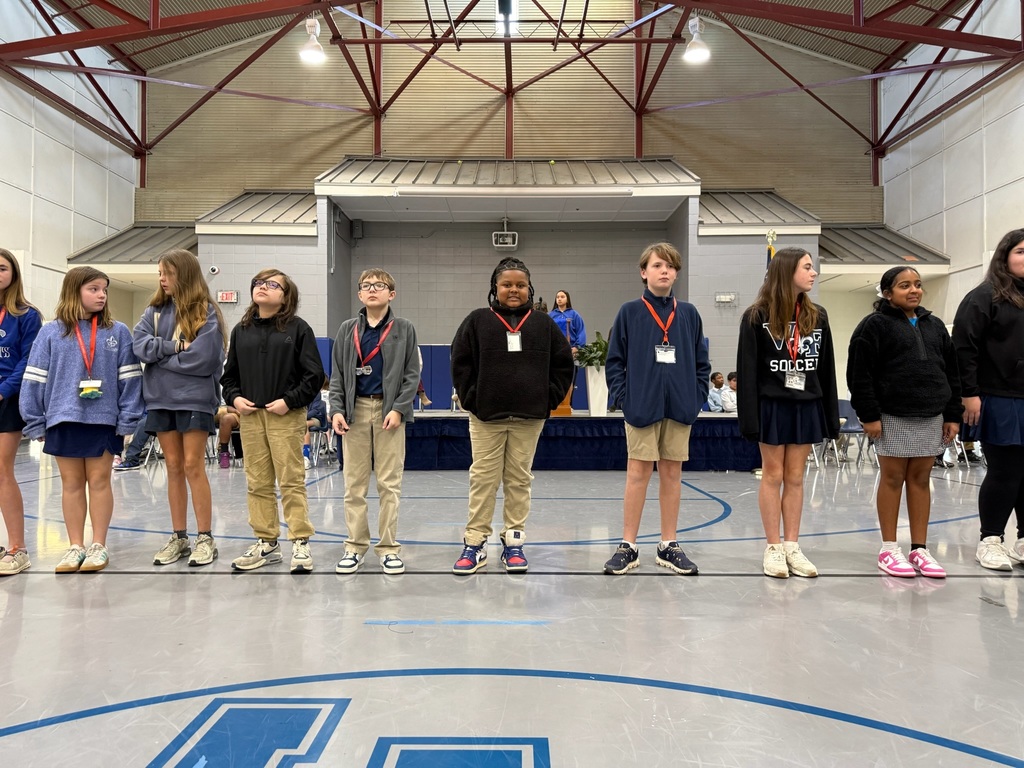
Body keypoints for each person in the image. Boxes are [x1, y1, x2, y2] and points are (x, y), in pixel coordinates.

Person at [450, 257, 574, 574]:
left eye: (520, 285)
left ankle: (514, 541)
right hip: (485, 418)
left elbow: (563, 366)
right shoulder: (477, 321)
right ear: (495, 288)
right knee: (483, 480)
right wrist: (472, 399)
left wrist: (547, 399)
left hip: (529, 418)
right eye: (507, 285)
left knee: (519, 481)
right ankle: (475, 542)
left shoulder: (544, 324)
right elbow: (460, 362)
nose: (514, 290)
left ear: (529, 288)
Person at [20, 266, 144, 573]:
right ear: (74, 291)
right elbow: (34, 378)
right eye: (94, 289)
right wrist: (34, 419)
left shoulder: (118, 332)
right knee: (71, 484)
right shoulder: (51, 332)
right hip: (63, 419)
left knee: (100, 481)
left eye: (104, 289)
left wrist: (128, 419)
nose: (102, 295)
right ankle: (75, 545)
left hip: (104, 420)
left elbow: (130, 379)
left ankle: (98, 544)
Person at [603, 242, 710, 575]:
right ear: (643, 272)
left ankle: (668, 544)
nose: (665, 271)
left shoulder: (689, 313)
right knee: (637, 475)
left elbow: (701, 364)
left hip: (680, 409)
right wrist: (625, 399)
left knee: (672, 475)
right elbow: (614, 362)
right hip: (641, 409)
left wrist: (695, 398)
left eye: (671, 266)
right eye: (658, 265)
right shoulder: (629, 312)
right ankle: (628, 545)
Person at [847, 266, 961, 579]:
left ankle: (919, 549)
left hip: (931, 415)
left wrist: (952, 414)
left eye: (917, 285)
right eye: (904, 286)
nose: (914, 290)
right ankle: (888, 548)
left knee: (922, 480)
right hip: (891, 416)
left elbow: (952, 372)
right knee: (893, 478)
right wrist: (869, 415)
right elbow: (860, 375)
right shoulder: (873, 326)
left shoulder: (935, 325)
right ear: (887, 293)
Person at [737, 248, 839, 579]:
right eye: (807, 267)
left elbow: (826, 370)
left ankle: (792, 545)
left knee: (796, 476)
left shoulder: (818, 315)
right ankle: (773, 547)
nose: (814, 273)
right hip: (772, 405)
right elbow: (747, 372)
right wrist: (749, 420)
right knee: (773, 474)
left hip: (806, 404)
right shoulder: (756, 316)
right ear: (786, 271)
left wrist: (829, 415)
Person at [221, 270, 324, 573]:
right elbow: (229, 376)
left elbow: (314, 375)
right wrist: (235, 399)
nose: (262, 287)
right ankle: (267, 542)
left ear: (285, 295)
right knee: (258, 482)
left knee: (291, 480)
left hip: (286, 416)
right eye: (258, 283)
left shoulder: (298, 328)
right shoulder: (241, 330)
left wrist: (289, 401)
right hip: (251, 417)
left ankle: (300, 542)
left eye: (271, 284)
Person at [133, 249, 227, 568]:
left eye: (168, 272)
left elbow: (205, 359)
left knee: (192, 466)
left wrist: (161, 362)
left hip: (195, 400)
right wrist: (173, 348)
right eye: (160, 272)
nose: (162, 278)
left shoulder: (206, 312)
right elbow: (139, 346)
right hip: (160, 399)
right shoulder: (154, 311)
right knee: (171, 466)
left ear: (184, 274)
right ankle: (179, 537)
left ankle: (205, 538)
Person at [330, 269, 420, 575]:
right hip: (354, 413)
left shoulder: (404, 328)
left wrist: (398, 408)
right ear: (359, 294)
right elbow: (338, 374)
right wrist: (336, 409)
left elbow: (411, 374)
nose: (372, 290)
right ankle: (354, 546)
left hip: (388, 412)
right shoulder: (346, 329)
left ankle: (388, 548)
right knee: (353, 484)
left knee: (389, 484)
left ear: (391, 294)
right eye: (366, 286)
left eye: (379, 286)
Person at [952, 228, 1024, 571]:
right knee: (1005, 471)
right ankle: (990, 539)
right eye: (1021, 251)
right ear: (1005, 257)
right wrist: (969, 393)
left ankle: (1022, 541)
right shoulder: (985, 296)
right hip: (998, 397)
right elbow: (964, 348)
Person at [0, 249, 42, 577]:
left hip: (7, 400)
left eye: (1, 268)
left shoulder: (27, 315)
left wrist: (3, 390)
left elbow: (28, 361)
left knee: (2, 471)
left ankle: (18, 548)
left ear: (13, 273)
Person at [549, 290, 587, 357]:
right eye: (557, 297)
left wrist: (577, 347)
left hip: (572, 350)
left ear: (567, 299)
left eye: (562, 297)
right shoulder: (551, 316)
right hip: (555, 350)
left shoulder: (574, 315)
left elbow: (581, 332)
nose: (559, 299)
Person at [303, 386, 327, 471]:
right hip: (300, 418)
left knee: (303, 425)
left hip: (315, 418)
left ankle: (306, 457)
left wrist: (302, 417)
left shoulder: (316, 392)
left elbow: (315, 410)